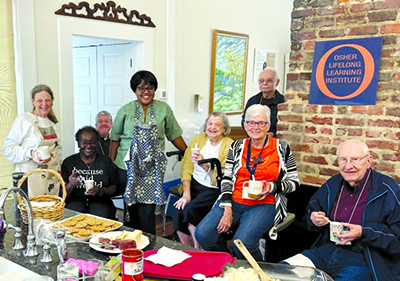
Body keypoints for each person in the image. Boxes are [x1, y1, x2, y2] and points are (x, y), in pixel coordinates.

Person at [283, 139, 400, 281]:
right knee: (282, 272)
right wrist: (314, 219)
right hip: (326, 250)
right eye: (343, 160)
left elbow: (397, 238)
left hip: (365, 258)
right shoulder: (333, 184)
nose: (348, 166)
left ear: (368, 161)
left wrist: (363, 231)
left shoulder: (387, 189)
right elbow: (309, 214)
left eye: (355, 159)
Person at [196, 104, 299, 261]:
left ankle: (261, 272)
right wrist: (227, 208)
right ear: (245, 125)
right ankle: (227, 261)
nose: (255, 127)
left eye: (260, 123)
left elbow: (294, 182)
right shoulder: (237, 146)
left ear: (268, 125)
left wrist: (272, 186)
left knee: (242, 243)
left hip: (265, 203)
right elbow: (227, 178)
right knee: (203, 234)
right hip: (234, 200)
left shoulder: (281, 148)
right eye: (251, 122)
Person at [109, 70, 187, 235]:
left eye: (150, 87)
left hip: (153, 168)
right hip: (127, 167)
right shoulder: (125, 110)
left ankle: (148, 243)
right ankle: (130, 244)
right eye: (141, 88)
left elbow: (174, 134)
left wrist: (187, 152)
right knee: (130, 208)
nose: (146, 91)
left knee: (148, 210)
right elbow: (115, 139)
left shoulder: (163, 109)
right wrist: (111, 165)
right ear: (134, 90)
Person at [173, 112, 233, 248]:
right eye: (210, 123)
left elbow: (223, 178)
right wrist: (186, 194)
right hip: (195, 184)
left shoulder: (229, 145)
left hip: (213, 189)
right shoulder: (198, 139)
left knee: (191, 210)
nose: (213, 127)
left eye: (217, 124)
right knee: (178, 209)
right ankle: (185, 247)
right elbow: (187, 167)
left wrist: (205, 165)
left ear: (224, 129)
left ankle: (197, 248)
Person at [3, 84, 62, 197]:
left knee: (49, 212)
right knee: (30, 211)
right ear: (32, 101)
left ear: (52, 101)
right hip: (30, 179)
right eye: (40, 100)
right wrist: (30, 153)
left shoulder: (53, 123)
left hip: (51, 180)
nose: (44, 104)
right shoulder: (24, 120)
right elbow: (8, 149)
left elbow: (57, 151)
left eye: (47, 100)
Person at [61, 126, 118, 219]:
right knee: (73, 218)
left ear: (97, 143)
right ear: (78, 143)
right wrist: (71, 184)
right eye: (84, 142)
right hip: (76, 200)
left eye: (92, 142)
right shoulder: (69, 162)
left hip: (100, 201)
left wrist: (101, 190)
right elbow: (62, 194)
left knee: (101, 218)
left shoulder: (105, 161)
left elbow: (115, 187)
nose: (88, 146)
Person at [241, 67, 284, 137]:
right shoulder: (252, 101)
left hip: (275, 142)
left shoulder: (283, 102)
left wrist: (273, 133)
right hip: (254, 140)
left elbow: (287, 126)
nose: (265, 83)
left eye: (269, 80)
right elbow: (244, 121)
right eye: (261, 80)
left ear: (277, 82)